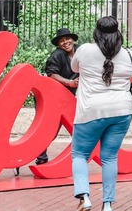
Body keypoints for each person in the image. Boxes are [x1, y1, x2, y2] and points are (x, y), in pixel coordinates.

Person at [70, 16, 132, 211]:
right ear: (117, 32)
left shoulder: (85, 50)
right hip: (122, 110)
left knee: (79, 154)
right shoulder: (129, 54)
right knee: (109, 157)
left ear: (96, 32)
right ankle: (107, 204)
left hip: (91, 111)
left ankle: (84, 197)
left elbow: (74, 68)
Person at [39, 28, 80, 165]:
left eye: (67, 39)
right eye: (61, 41)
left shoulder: (81, 51)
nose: (65, 43)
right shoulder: (57, 55)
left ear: (73, 39)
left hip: (73, 98)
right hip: (56, 99)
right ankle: (38, 155)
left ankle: (80, 156)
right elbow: (51, 74)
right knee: (51, 129)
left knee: (80, 128)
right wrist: (69, 82)